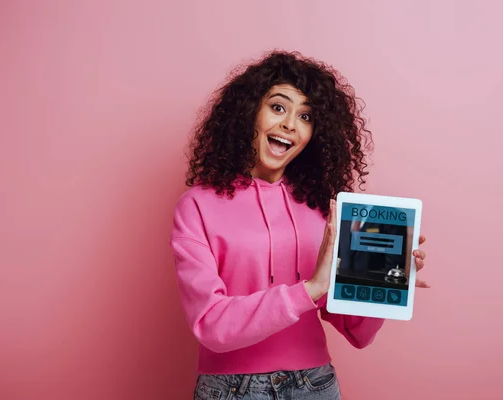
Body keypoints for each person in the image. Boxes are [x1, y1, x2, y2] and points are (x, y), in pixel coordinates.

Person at [170, 50, 429, 400]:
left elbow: (355, 331)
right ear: (248, 113)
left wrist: (386, 284)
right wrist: (309, 290)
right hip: (231, 390)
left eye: (305, 116)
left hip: (315, 385)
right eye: (278, 107)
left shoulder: (322, 208)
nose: (290, 124)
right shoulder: (198, 206)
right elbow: (211, 324)